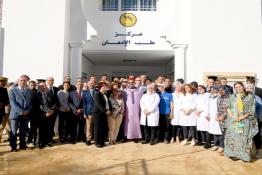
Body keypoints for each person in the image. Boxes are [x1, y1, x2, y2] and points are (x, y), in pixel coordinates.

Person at [224, 82, 258, 162]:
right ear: (234, 88)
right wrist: (234, 117)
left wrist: (241, 117)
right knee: (233, 138)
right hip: (233, 121)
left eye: (240, 86)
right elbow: (228, 107)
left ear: (243, 87)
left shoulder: (249, 97)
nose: (238, 88)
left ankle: (245, 156)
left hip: (244, 121)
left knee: (244, 139)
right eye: (236, 87)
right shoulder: (232, 96)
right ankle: (234, 154)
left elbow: (251, 110)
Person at [9, 75, 32, 151]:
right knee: (14, 132)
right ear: (18, 82)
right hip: (15, 114)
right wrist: (21, 111)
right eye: (21, 81)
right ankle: (13, 147)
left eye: (24, 81)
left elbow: (30, 103)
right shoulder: (12, 90)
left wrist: (27, 111)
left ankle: (23, 145)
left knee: (23, 131)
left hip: (25, 115)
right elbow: (13, 103)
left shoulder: (28, 91)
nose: (23, 82)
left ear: (26, 82)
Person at [36, 82, 56, 148]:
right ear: (39, 87)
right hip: (42, 114)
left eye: (45, 86)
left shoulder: (50, 94)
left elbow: (54, 102)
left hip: (50, 114)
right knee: (41, 129)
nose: (44, 87)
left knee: (49, 129)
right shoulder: (37, 95)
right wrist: (46, 112)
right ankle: (41, 143)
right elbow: (39, 105)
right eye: (42, 86)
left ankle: (48, 141)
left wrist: (52, 110)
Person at [123, 77, 143, 142]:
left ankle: (136, 137)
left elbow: (142, 101)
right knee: (127, 123)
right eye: (129, 82)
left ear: (134, 83)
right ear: (127, 83)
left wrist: (141, 109)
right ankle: (126, 136)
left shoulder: (139, 91)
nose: (131, 83)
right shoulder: (124, 91)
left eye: (132, 82)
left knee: (136, 123)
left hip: (137, 110)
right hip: (128, 110)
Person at [93, 82, 112, 148]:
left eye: (106, 86)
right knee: (97, 128)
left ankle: (102, 142)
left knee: (102, 128)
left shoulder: (105, 95)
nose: (106, 88)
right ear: (100, 87)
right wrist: (105, 111)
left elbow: (108, 103)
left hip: (104, 114)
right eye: (104, 86)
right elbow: (98, 104)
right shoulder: (97, 94)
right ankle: (97, 143)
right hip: (97, 114)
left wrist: (110, 110)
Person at [245, 83, 262, 158]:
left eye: (251, 88)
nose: (249, 89)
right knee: (244, 136)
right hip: (243, 120)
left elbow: (260, 109)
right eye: (247, 88)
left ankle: (259, 151)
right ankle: (245, 152)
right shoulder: (240, 97)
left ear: (253, 89)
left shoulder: (257, 98)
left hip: (254, 120)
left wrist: (259, 119)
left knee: (256, 135)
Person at [208, 86, 224, 153]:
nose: (212, 91)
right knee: (214, 131)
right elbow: (208, 107)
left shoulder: (220, 97)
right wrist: (208, 114)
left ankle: (221, 146)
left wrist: (220, 115)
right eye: (211, 90)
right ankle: (215, 145)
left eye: (214, 90)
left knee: (220, 131)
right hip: (212, 116)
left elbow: (223, 107)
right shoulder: (210, 97)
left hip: (218, 116)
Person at [216, 85, 230, 154]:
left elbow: (228, 108)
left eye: (222, 90)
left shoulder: (229, 97)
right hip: (220, 118)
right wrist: (218, 116)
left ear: (226, 90)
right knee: (221, 132)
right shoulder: (218, 97)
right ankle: (222, 146)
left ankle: (227, 147)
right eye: (220, 90)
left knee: (227, 133)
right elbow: (217, 108)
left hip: (227, 118)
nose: (221, 91)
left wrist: (223, 116)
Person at [46, 76, 59, 142]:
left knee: (52, 125)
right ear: (47, 81)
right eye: (49, 80)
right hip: (47, 111)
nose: (51, 81)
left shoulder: (56, 89)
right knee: (47, 125)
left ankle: (50, 138)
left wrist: (54, 108)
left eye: (52, 80)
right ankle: (46, 139)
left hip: (54, 110)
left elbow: (57, 99)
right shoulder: (44, 88)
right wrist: (48, 109)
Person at [83, 81, 95, 145]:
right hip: (89, 111)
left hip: (96, 112)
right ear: (87, 85)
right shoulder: (85, 92)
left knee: (96, 126)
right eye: (90, 83)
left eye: (93, 83)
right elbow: (84, 103)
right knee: (89, 126)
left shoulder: (97, 91)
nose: (91, 84)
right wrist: (84, 113)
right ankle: (88, 139)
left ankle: (95, 138)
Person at [0, 77, 11, 142]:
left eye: (4, 81)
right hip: (4, 110)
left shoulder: (4, 90)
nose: (3, 82)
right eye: (1, 81)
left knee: (3, 124)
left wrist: (2, 103)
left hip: (2, 111)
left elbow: (6, 101)